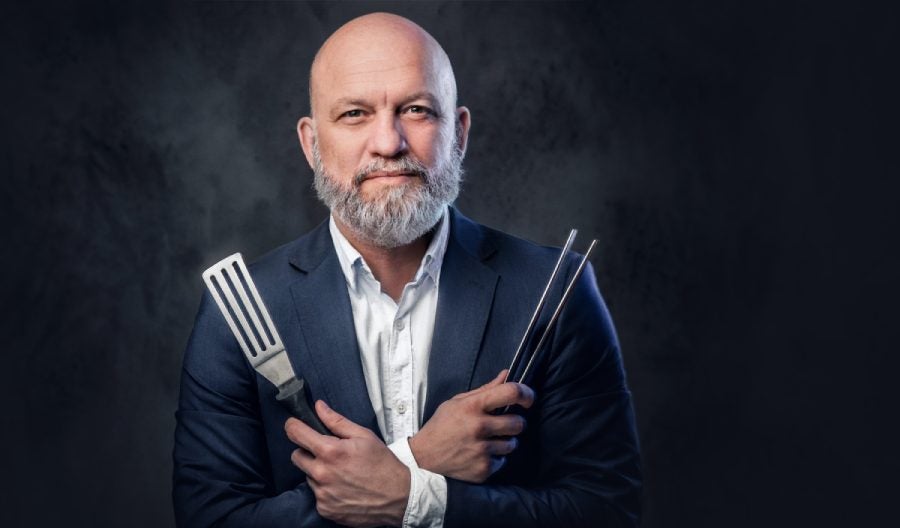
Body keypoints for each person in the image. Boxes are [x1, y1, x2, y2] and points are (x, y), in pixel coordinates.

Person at [173, 12, 641, 528]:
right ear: (311, 144)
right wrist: (420, 459)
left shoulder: (555, 291)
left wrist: (420, 497)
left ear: (458, 134)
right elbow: (211, 521)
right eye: (354, 114)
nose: (388, 143)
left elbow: (608, 512)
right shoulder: (239, 310)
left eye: (416, 110)